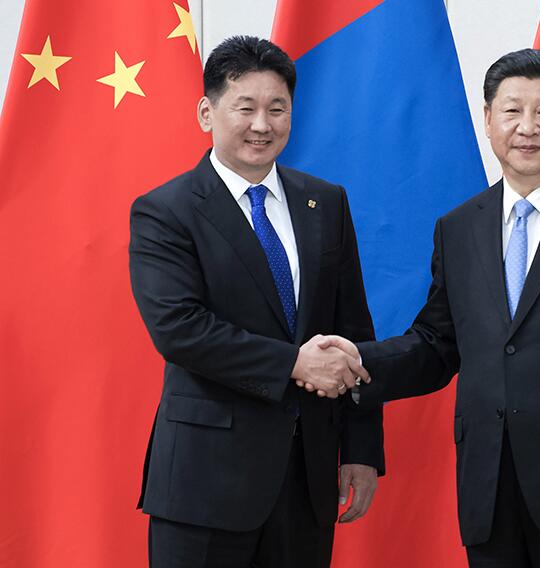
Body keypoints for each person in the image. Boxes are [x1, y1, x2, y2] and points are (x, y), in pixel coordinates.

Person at [319, 48, 540, 567]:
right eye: (512, 111)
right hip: (489, 487)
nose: (527, 127)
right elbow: (438, 344)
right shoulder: (459, 227)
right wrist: (357, 361)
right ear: (489, 119)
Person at [129, 35, 384, 568]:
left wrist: (361, 449)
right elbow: (179, 328)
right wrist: (294, 363)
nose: (262, 125)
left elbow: (354, 332)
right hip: (205, 481)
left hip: (307, 476)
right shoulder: (165, 210)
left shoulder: (326, 202)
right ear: (207, 112)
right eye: (245, 108)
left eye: (277, 109)